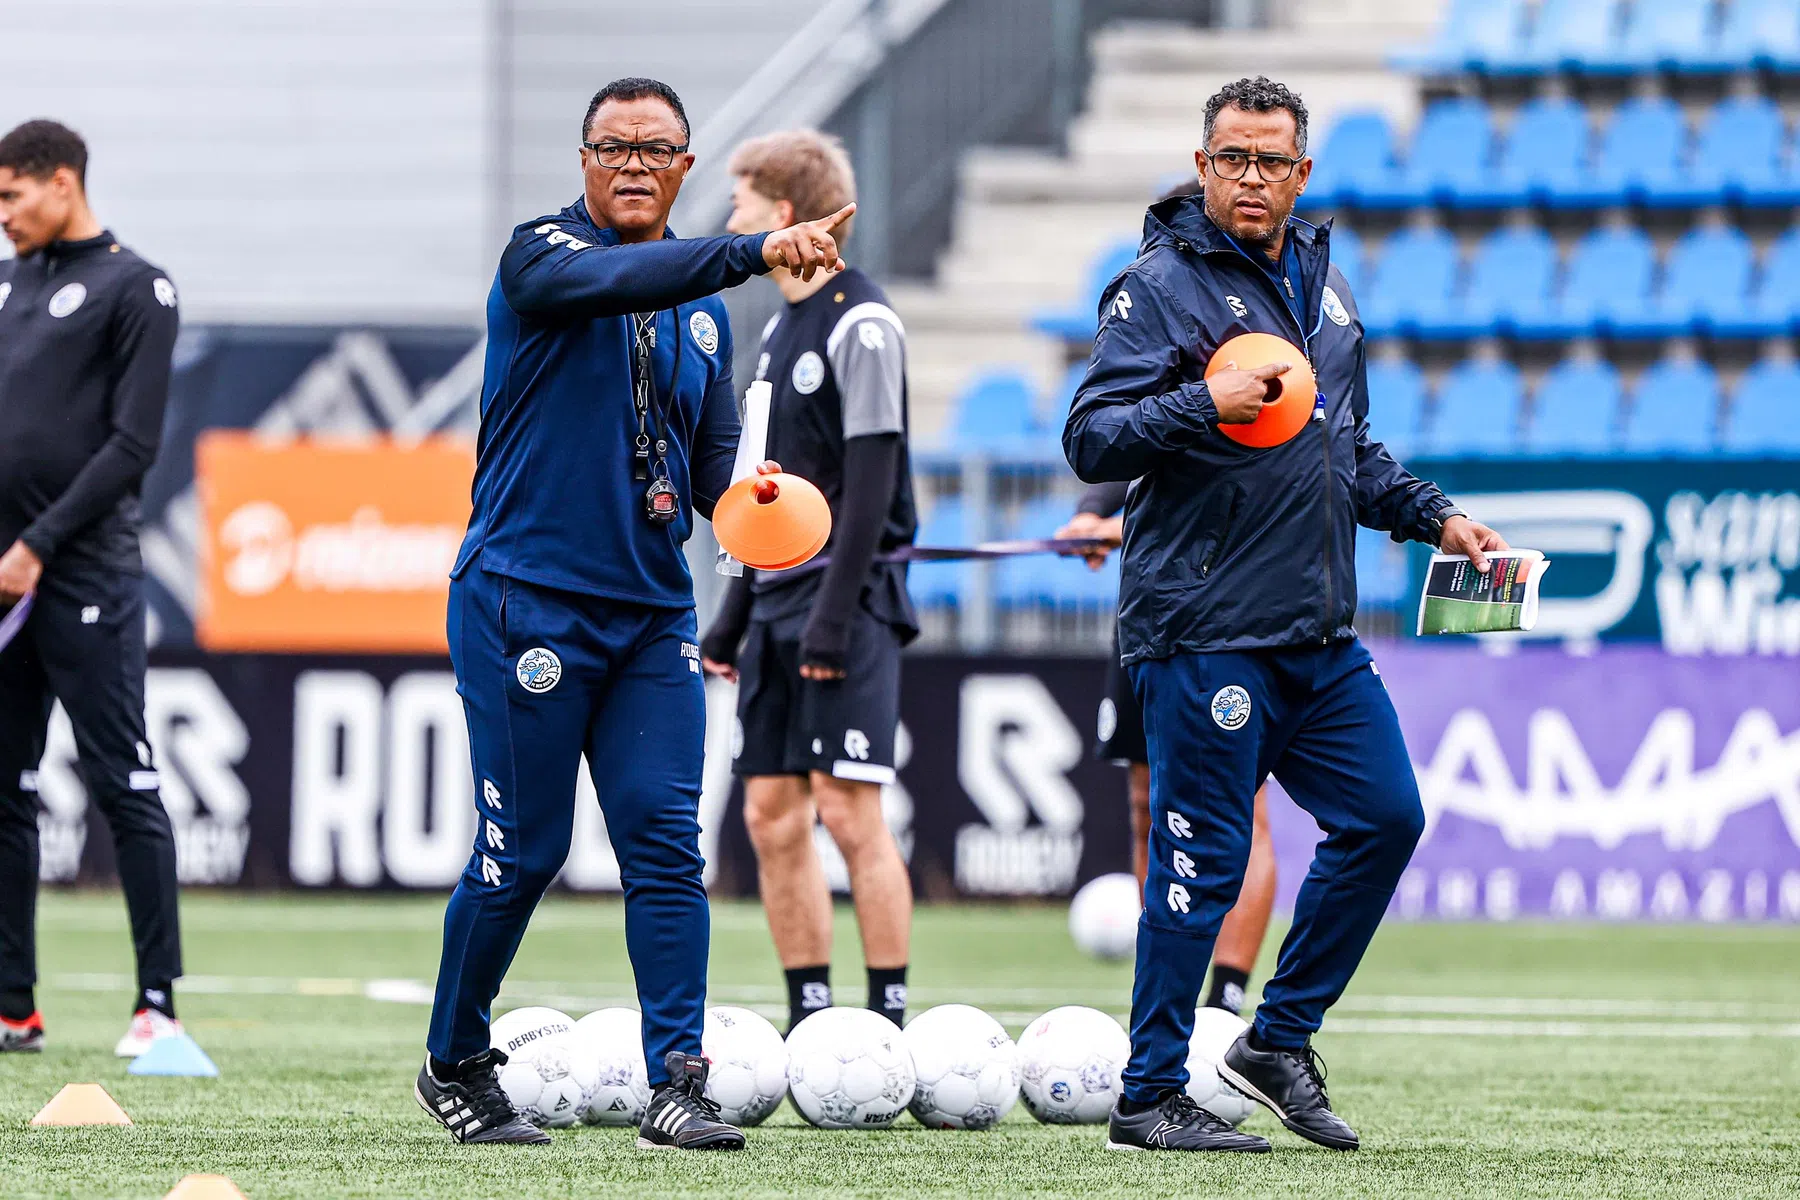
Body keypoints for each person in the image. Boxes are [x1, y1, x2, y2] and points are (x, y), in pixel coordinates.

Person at [1062, 77, 1506, 1154]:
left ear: (1302, 173)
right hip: (1203, 630)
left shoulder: (1325, 287)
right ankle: (1147, 1096)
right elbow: (1092, 437)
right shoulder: (1155, 289)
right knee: (1203, 863)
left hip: (1316, 633)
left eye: (1270, 161)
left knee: (1387, 819)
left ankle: (1277, 1039)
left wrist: (1437, 518)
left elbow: (1347, 449)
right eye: (1231, 158)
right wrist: (1201, 404)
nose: (1250, 177)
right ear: (1202, 165)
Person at [416, 77, 854, 1150]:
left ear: (684, 168)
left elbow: (709, 467)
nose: (633, 165)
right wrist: (753, 251)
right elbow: (626, 278)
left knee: (666, 849)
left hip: (653, 614)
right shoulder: (540, 257)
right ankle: (454, 1058)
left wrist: (759, 502)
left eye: (656, 150)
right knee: (523, 856)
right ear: (583, 160)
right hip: (525, 601)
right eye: (614, 146)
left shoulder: (702, 313)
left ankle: (677, 1084)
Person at [700, 130, 918, 1036]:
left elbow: (872, 484)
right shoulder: (777, 327)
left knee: (848, 809)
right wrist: (733, 613)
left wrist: (832, 617)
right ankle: (811, 1018)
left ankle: (888, 1018)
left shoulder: (863, 323)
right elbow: (769, 493)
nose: (732, 216)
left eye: (743, 200)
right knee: (769, 813)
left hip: (848, 604)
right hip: (778, 602)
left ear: (785, 211)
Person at [0, 120, 184, 1058]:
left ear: (61, 182)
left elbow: (133, 445)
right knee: (5, 789)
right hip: (4, 580)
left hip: (83, 575)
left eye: (11, 196)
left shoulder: (136, 287)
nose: (4, 216)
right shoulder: (7, 286)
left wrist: (37, 543)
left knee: (123, 782)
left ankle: (157, 1007)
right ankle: (12, 1009)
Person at [1057, 482, 1275, 1018]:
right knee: (1148, 807)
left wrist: (1119, 528)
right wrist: (1091, 512)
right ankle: (1166, 989)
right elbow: (1133, 456)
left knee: (1244, 809)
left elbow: (1236, 494)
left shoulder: (1248, 423)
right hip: (1147, 614)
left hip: (1234, 616)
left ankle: (1224, 1000)